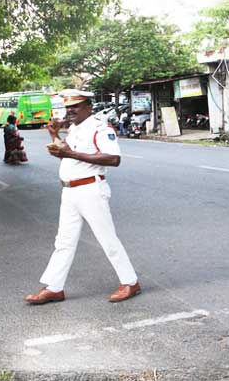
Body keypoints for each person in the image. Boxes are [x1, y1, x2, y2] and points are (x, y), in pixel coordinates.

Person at [24, 89, 140, 305]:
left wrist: (72, 154)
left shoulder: (100, 127)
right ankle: (54, 287)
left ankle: (130, 282)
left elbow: (114, 159)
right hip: (69, 191)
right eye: (68, 107)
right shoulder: (75, 129)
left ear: (88, 107)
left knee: (107, 238)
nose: (70, 111)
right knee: (64, 241)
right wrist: (53, 136)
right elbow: (68, 158)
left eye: (75, 106)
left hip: (90, 190)